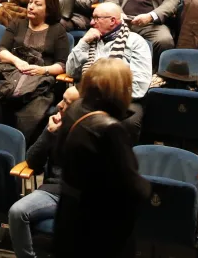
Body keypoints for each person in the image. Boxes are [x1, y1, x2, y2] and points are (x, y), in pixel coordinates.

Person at [52, 58, 151, 258]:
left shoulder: (73, 110)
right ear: (121, 90)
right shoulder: (111, 129)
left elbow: (58, 154)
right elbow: (134, 188)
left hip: (68, 219)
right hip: (100, 230)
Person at [0, 0, 69, 137]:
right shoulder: (18, 23)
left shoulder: (58, 31)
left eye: (37, 4)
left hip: (38, 81)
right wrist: (17, 61)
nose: (31, 6)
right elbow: (0, 50)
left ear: (49, 9)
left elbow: (62, 64)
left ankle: (17, 144)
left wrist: (42, 70)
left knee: (28, 108)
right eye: (30, 2)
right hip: (10, 75)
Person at [8, 85, 80, 258]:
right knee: (17, 212)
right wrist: (49, 134)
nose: (60, 105)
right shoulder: (54, 125)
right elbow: (32, 160)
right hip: (52, 192)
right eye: (62, 99)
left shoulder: (88, 133)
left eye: (67, 103)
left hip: (78, 197)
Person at [64, 3, 152, 142]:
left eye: (96, 18)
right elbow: (70, 71)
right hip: (88, 96)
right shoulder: (90, 39)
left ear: (113, 20)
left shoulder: (136, 42)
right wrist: (83, 42)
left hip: (124, 99)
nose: (91, 22)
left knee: (128, 123)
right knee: (66, 110)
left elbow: (139, 86)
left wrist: (101, 96)